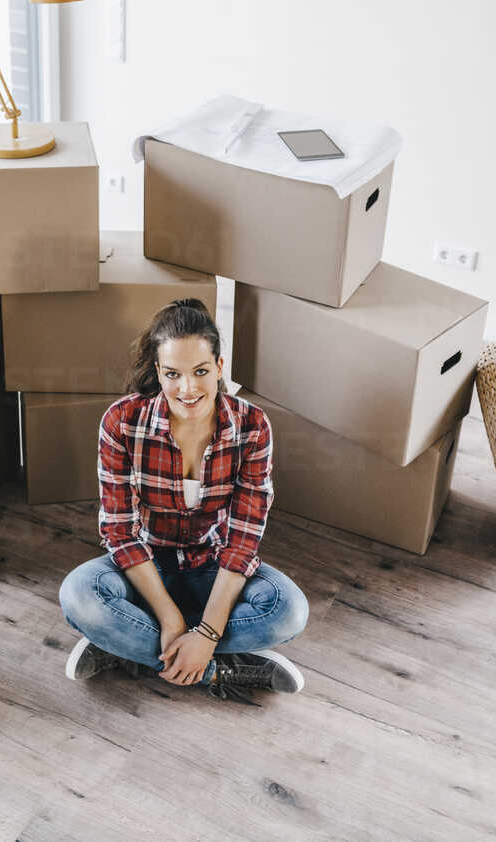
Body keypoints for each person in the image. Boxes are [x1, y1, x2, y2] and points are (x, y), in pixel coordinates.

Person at [58, 298, 309, 701]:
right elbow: (120, 532)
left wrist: (207, 632)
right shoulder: (122, 421)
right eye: (173, 374)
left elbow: (243, 541)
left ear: (220, 368)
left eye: (201, 372)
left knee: (288, 611)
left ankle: (125, 647)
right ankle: (218, 670)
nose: (188, 389)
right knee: (79, 596)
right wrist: (173, 621)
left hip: (213, 564)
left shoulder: (252, 426)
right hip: (146, 565)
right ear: (158, 371)